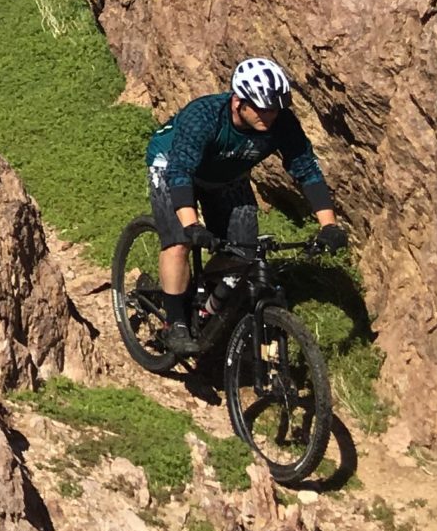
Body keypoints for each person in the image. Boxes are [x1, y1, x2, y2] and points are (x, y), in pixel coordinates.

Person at [146, 56, 347, 350]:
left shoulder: (281, 123)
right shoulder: (203, 116)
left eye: (275, 111)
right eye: (262, 109)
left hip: (228, 175)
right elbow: (180, 174)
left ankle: (202, 302)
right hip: (171, 165)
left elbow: (307, 171)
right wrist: (192, 226)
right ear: (238, 100)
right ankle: (174, 321)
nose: (269, 117)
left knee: (244, 252)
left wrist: (329, 226)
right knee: (179, 242)